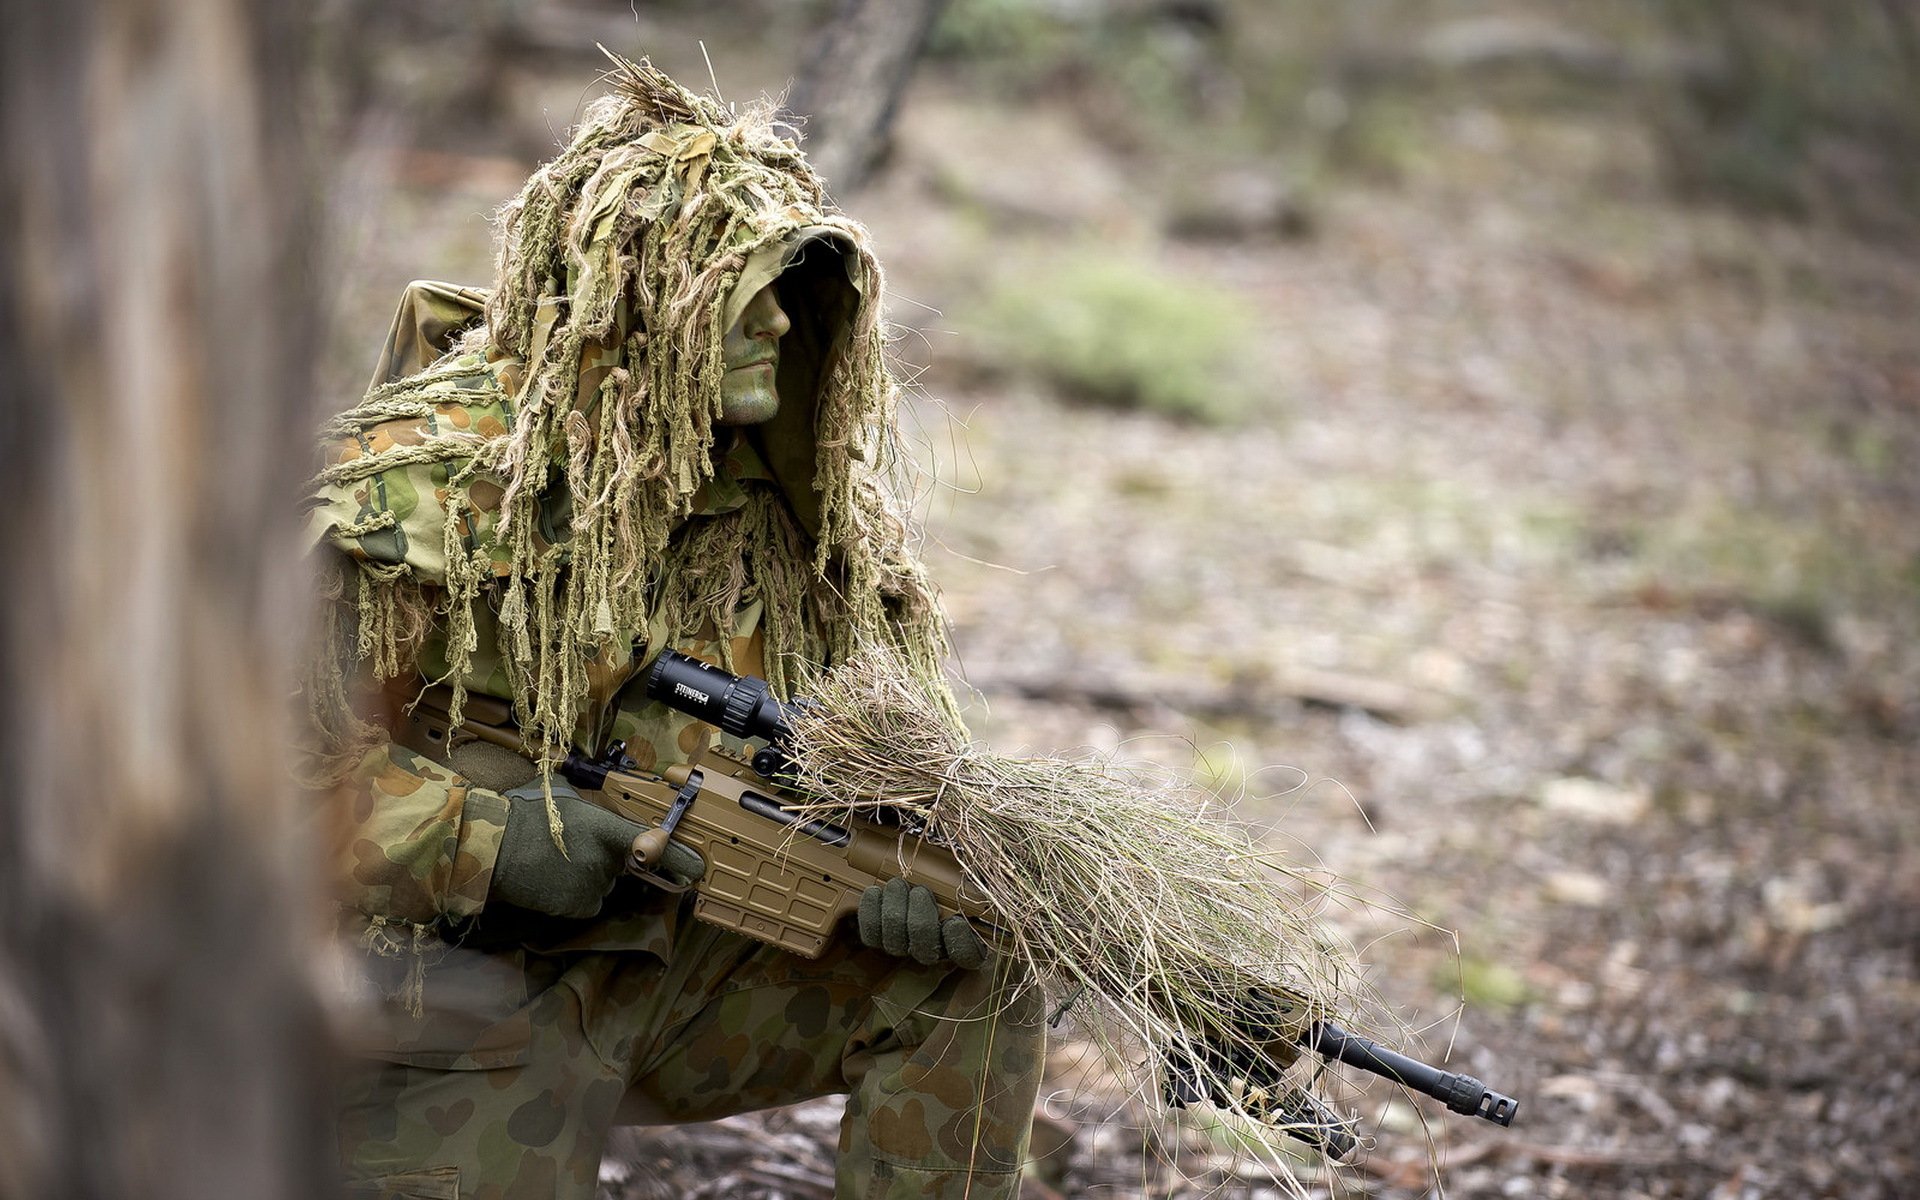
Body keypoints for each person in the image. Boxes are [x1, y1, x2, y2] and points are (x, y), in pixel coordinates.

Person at [304, 56, 1044, 1200]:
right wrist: (491, 842)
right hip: (433, 992)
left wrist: (902, 881)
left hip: (666, 961)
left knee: (976, 980)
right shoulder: (417, 497)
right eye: (735, 287)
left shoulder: (786, 521)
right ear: (631, 301)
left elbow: (867, 762)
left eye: (793, 288)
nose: (777, 320)